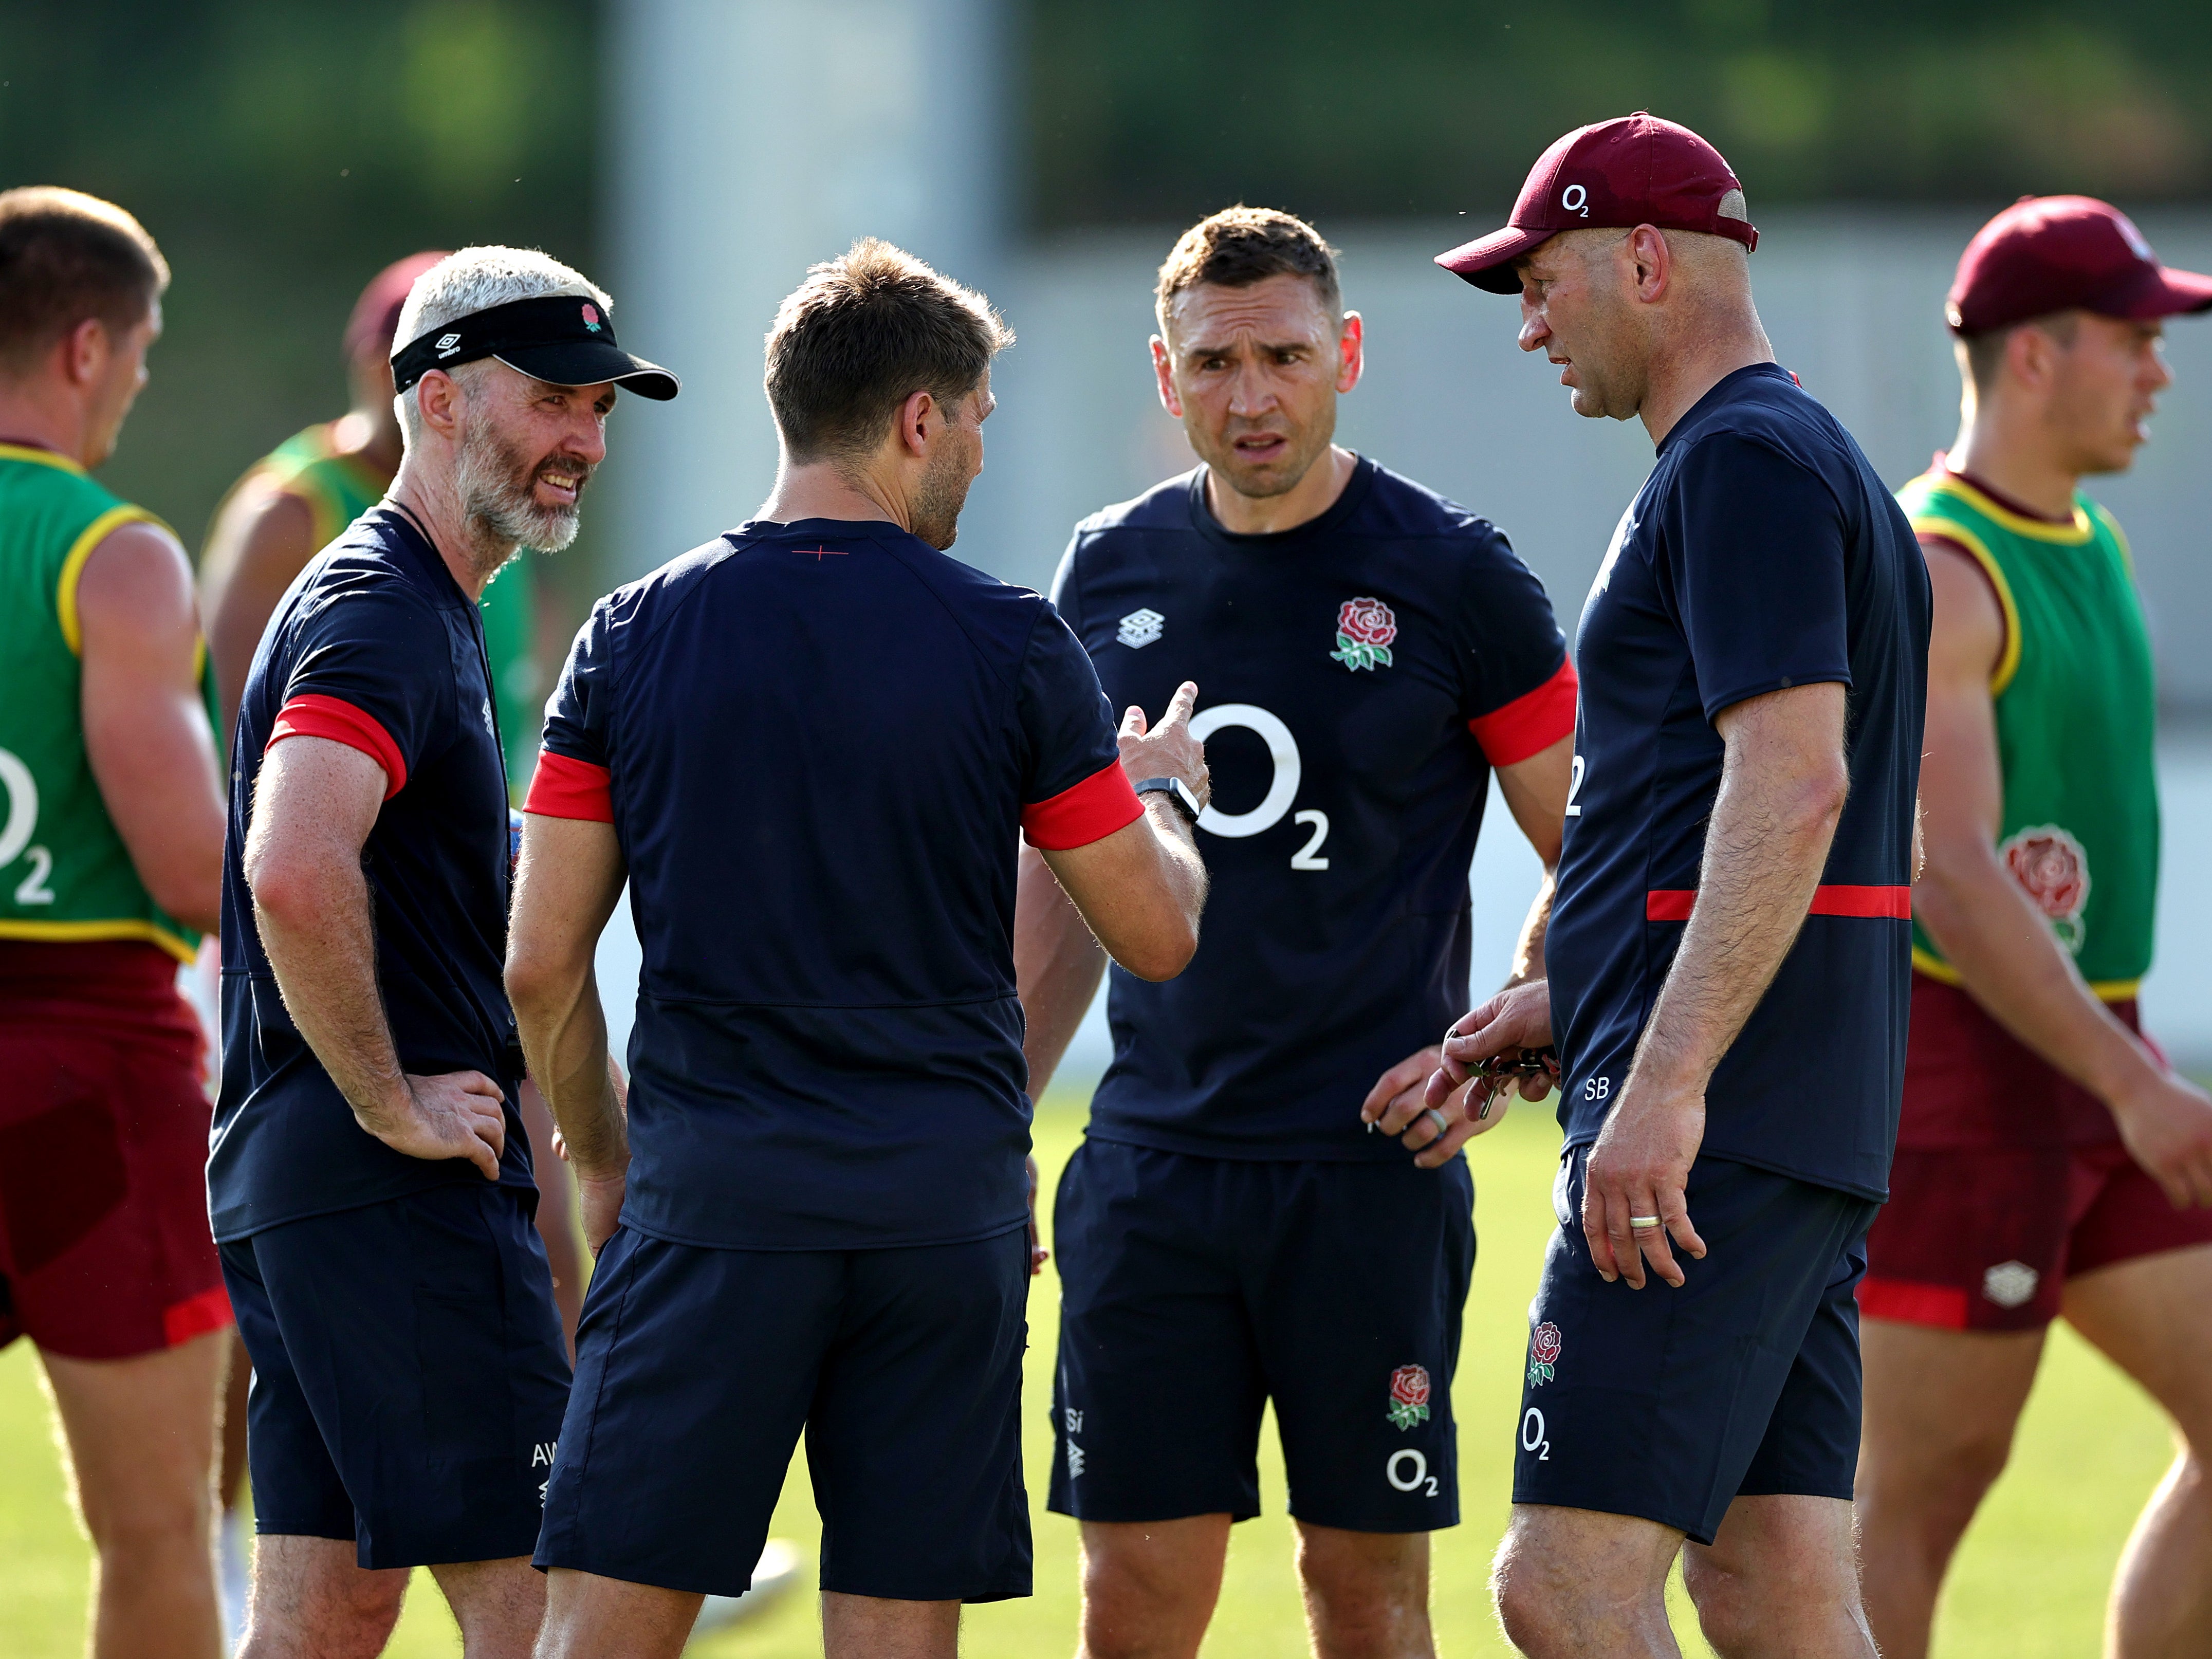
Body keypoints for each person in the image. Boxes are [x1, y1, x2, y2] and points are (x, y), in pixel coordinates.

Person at [509, 238, 1210, 1659]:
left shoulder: (630, 638)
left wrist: (600, 1154)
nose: (978, 458)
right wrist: (1151, 794)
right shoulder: (1014, 645)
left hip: (710, 1205)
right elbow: (1153, 928)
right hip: (936, 1223)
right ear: (916, 419)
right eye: (976, 425)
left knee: (601, 1636)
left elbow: (538, 961)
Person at [1016, 206, 1576, 1659]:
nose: (1250, 396)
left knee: (1365, 1591)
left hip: (1369, 1173)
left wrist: (1500, 1031)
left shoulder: (1456, 576)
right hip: (1153, 1171)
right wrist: (994, 1117)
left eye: (1284, 355)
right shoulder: (1104, 574)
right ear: (1163, 371)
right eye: (1215, 362)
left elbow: (1593, 841)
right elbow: (1077, 880)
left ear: (1351, 354)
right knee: (1134, 1596)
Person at [1427, 114, 1929, 1657]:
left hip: (1718, 1123)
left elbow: (1796, 782)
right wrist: (1565, 991)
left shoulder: (1742, 465)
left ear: (1644, 261)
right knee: (1773, 1591)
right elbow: (1712, 814)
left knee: (1562, 1583)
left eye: (1540, 280)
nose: (1527, 325)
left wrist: (1663, 1079)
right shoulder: (1788, 456)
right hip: (1794, 1112)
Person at [213, 246, 677, 1658]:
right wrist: (389, 1096)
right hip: (388, 1189)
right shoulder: (382, 608)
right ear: (431, 400)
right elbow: (293, 865)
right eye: (548, 399)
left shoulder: (424, 600)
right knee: (550, 1601)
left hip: (308, 1189)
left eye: (599, 408)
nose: (581, 442)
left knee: (321, 1617)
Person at [1854, 197, 2212, 1659]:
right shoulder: (1944, 565)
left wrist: (2124, 1071)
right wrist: (2130, 1079)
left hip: (2100, 1057)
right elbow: (1950, 878)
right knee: (1920, 1500)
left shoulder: (2093, 544)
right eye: (2135, 339)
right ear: (2036, 356)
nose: (2160, 370)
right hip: (1971, 1084)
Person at [0, 185, 230, 1659]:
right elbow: (193, 873)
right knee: (154, 1535)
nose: (135, 390)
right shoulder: (115, 551)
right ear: (87, 347)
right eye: (139, 359)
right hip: (86, 1070)